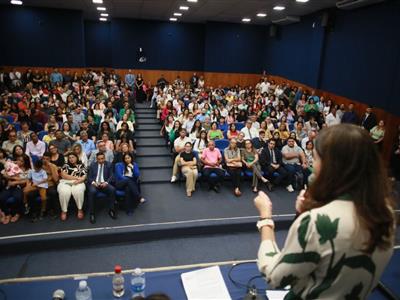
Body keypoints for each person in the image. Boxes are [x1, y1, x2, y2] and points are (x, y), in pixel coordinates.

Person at [254, 124, 395, 299]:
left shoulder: (316, 222)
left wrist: (265, 218)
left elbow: (275, 277)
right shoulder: (386, 213)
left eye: (316, 158)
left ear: (330, 166)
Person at [87, 152, 116, 224]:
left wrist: (106, 183)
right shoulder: (92, 165)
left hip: (104, 183)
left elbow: (111, 176)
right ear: (96, 159)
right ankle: (92, 213)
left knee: (112, 189)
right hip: (95, 183)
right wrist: (94, 183)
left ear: (104, 158)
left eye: (102, 159)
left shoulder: (109, 164)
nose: (101, 160)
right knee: (92, 191)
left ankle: (111, 210)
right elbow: (89, 177)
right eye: (99, 159)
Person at [58, 152, 87, 221]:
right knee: (64, 192)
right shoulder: (65, 165)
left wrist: (80, 180)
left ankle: (80, 209)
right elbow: (64, 175)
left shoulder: (81, 165)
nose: (71, 159)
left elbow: (84, 176)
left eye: (73, 157)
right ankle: (64, 211)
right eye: (69, 158)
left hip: (78, 182)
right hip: (65, 182)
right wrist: (77, 178)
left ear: (77, 158)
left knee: (78, 191)